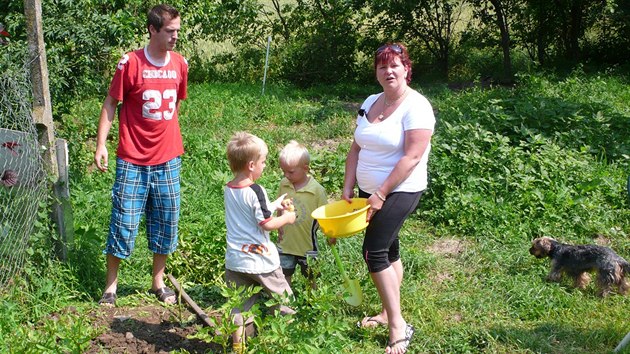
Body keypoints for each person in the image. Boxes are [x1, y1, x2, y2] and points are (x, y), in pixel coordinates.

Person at [342, 42, 435, 354]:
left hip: (401, 189)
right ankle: (386, 312)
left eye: (395, 65)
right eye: (382, 66)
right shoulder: (371, 101)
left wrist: (381, 193)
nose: (388, 71)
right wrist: (348, 186)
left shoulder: (417, 106)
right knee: (390, 250)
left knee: (374, 251)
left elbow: (412, 157)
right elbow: (356, 146)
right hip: (370, 192)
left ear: (406, 69)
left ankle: (398, 326)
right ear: (376, 73)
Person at [93, 4, 188, 307]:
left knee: (166, 220)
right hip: (132, 159)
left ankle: (157, 282)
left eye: (177, 31)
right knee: (124, 220)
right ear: (153, 29)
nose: (175, 36)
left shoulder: (180, 64)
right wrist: (101, 144)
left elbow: (176, 105)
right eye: (170, 31)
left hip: (169, 158)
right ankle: (111, 287)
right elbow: (110, 104)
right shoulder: (130, 63)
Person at [224, 131, 297, 352]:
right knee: (284, 300)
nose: (265, 166)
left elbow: (251, 211)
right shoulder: (256, 190)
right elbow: (265, 223)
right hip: (261, 260)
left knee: (240, 305)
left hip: (236, 260)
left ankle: (239, 347)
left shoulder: (229, 188)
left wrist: (273, 204)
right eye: (264, 162)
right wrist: (287, 217)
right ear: (251, 165)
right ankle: (284, 343)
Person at [276, 140, 328, 289]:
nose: (286, 175)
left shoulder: (316, 190)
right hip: (286, 242)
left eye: (291, 172)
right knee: (284, 275)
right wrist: (279, 223)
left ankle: (312, 301)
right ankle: (286, 303)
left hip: (307, 245)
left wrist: (329, 233)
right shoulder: (284, 184)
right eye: (283, 171)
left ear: (305, 168)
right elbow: (280, 205)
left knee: (310, 275)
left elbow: (324, 214)